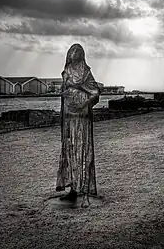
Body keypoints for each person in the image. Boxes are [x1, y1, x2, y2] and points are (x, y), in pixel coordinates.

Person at [56, 43, 100, 207]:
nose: (75, 53)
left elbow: (95, 92)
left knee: (83, 149)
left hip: (82, 116)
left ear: (82, 54)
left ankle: (86, 190)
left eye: (78, 51)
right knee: (70, 149)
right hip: (69, 116)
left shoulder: (86, 72)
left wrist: (83, 104)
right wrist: (65, 95)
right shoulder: (66, 72)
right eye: (72, 50)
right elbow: (65, 90)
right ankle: (73, 188)